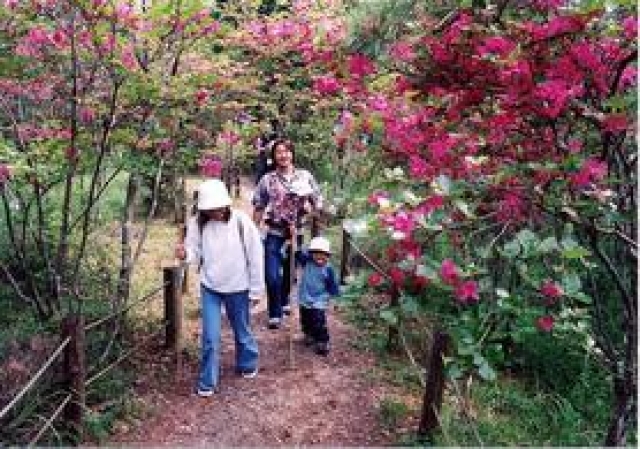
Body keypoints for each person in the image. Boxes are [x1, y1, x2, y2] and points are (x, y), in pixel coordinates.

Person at [175, 179, 264, 397]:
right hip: (210, 286)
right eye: (209, 208)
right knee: (210, 337)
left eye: (217, 207)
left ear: (225, 204)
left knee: (242, 331)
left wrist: (256, 289)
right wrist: (186, 254)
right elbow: (195, 252)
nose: (213, 212)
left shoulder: (242, 222)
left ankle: (247, 363)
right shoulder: (197, 223)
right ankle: (207, 381)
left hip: (238, 286)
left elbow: (255, 256)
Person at [252, 138, 323, 330]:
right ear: (273, 156)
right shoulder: (267, 179)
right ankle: (274, 312)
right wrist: (253, 231)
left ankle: (283, 299)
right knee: (271, 274)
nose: (284, 155)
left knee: (289, 273)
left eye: (287, 151)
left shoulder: (304, 176)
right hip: (274, 232)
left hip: (296, 232)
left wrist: (311, 211)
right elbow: (258, 205)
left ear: (293, 154)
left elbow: (318, 201)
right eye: (279, 152)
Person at [297, 236, 340, 356]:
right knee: (305, 318)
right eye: (316, 254)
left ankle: (322, 341)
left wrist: (334, 300)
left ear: (328, 256)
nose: (320, 257)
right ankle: (308, 334)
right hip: (305, 296)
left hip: (320, 298)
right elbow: (298, 254)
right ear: (311, 254)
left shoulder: (328, 269)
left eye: (324, 255)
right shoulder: (306, 262)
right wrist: (294, 238)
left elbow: (333, 286)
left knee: (318, 320)